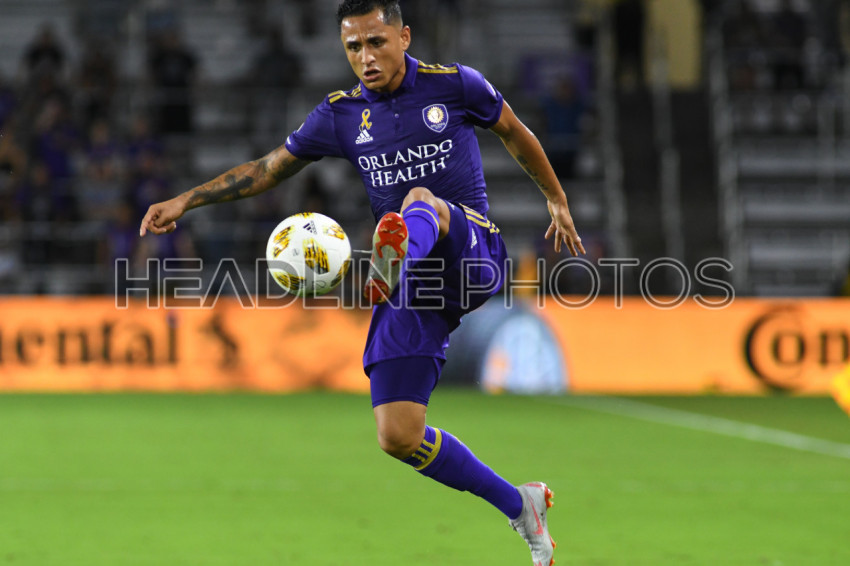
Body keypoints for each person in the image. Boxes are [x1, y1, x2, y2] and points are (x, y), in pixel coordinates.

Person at [139, 1, 584, 564]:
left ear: (404, 36)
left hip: (471, 250)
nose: (366, 57)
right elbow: (268, 169)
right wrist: (186, 200)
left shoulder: (455, 85)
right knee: (398, 434)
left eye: (376, 42)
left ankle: (394, 256)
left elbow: (514, 132)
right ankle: (520, 505)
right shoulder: (340, 115)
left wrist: (556, 199)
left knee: (421, 200)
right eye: (353, 47)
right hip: (414, 288)